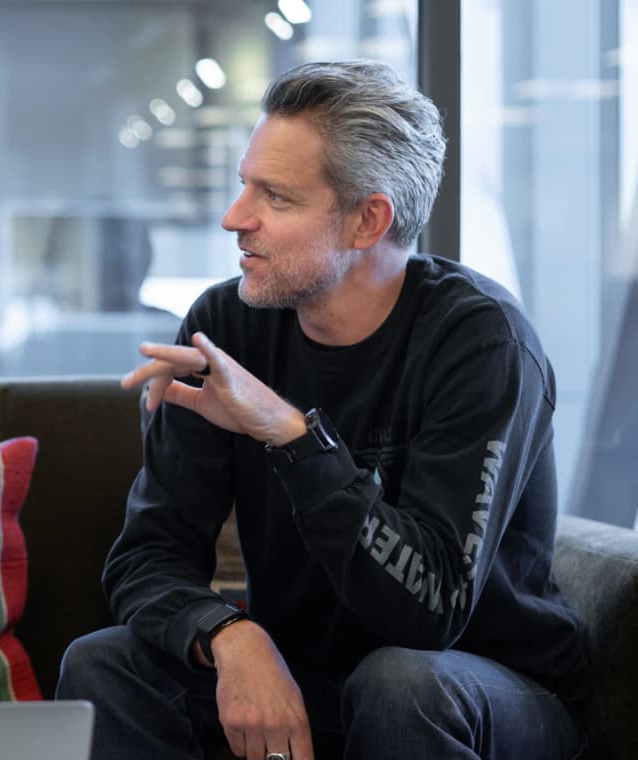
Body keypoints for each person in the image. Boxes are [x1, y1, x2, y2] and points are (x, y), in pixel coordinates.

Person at [54, 60, 588, 760]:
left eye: (274, 197)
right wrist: (229, 634)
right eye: (244, 183)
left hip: (485, 685)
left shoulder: (479, 340)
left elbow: (429, 614)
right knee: (102, 665)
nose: (234, 218)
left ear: (368, 220)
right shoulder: (226, 324)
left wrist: (292, 435)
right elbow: (146, 556)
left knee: (398, 683)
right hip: (311, 676)